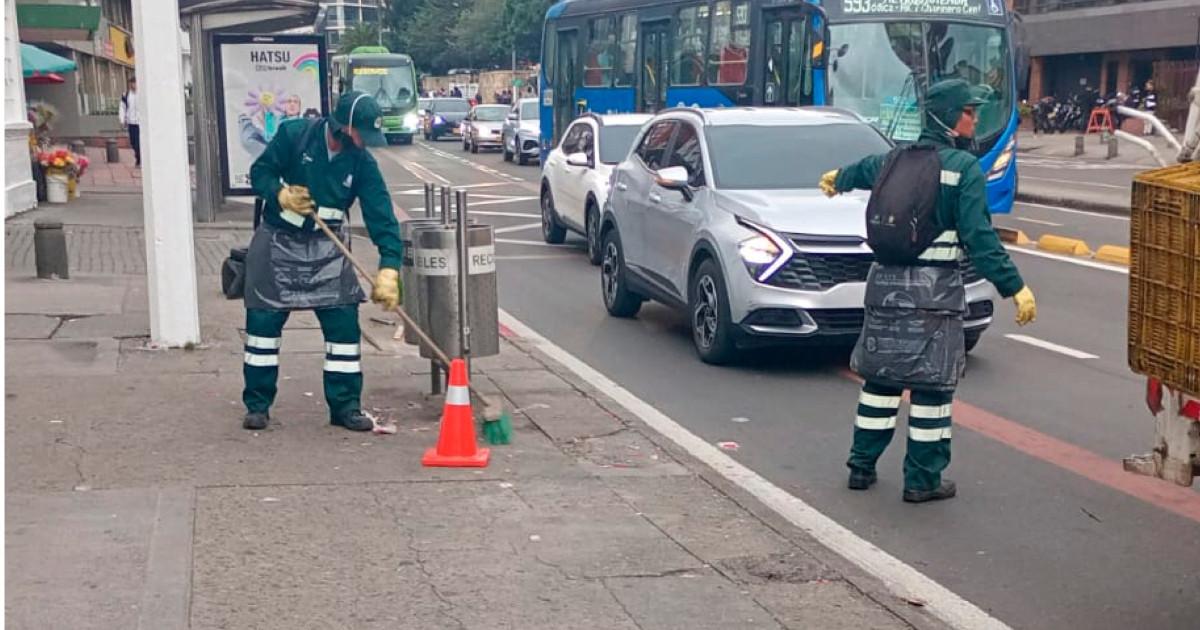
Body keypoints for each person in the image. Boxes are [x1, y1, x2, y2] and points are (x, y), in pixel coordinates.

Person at [820, 79, 1037, 503]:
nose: (974, 119)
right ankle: (922, 480)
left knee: (881, 380)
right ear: (949, 117)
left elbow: (860, 170)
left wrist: (837, 178)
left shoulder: (892, 160)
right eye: (969, 112)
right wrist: (1015, 287)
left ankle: (861, 467)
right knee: (932, 391)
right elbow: (979, 238)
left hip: (884, 290)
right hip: (934, 297)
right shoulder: (962, 169)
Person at [242, 91, 403, 432]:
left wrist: (390, 267)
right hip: (279, 242)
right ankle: (257, 405)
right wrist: (280, 194)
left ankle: (345, 406)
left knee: (344, 324)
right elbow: (260, 173)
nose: (365, 142)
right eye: (361, 133)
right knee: (262, 327)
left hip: (328, 247)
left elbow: (381, 214)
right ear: (343, 127)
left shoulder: (361, 162)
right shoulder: (294, 136)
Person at [118, 77, 140, 167]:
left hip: (140, 123)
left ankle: (139, 159)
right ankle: (138, 156)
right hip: (131, 122)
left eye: (134, 83)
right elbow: (122, 108)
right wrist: (122, 119)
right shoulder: (126, 95)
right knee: (133, 142)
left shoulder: (141, 94)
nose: (133, 85)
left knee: (138, 143)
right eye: (131, 83)